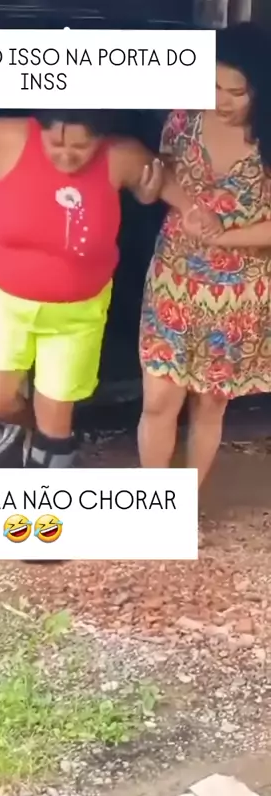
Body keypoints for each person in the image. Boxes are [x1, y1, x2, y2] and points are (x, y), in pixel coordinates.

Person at [0, 110, 205, 469]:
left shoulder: (120, 154)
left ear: (100, 139)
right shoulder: (6, 137)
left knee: (55, 426)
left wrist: (188, 208)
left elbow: (160, 180)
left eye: (81, 147)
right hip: (6, 302)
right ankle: (41, 435)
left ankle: (51, 466)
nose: (67, 155)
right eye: (55, 143)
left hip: (76, 313)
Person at [139, 22, 271, 489]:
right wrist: (156, 192)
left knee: (210, 404)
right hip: (173, 278)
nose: (222, 101)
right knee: (159, 400)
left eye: (237, 92)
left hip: (240, 293)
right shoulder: (183, 119)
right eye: (214, 86)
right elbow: (162, 177)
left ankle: (184, 504)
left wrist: (222, 237)